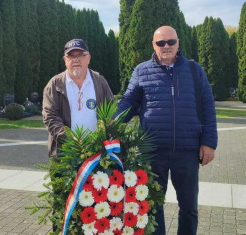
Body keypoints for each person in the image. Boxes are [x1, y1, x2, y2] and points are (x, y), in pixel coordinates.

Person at [116, 26, 218, 235]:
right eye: (161, 43)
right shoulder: (141, 70)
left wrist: (209, 142)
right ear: (153, 45)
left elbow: (208, 105)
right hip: (153, 151)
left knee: (189, 207)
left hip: (187, 150)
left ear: (178, 43)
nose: (166, 46)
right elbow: (128, 102)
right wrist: (111, 123)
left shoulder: (193, 69)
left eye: (171, 42)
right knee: (153, 206)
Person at [42, 38, 114, 158]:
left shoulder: (100, 82)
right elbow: (50, 116)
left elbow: (112, 109)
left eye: (80, 55)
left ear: (88, 58)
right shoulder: (54, 84)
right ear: (65, 60)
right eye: (71, 56)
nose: (76, 60)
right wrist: (70, 138)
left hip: (98, 154)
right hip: (64, 154)